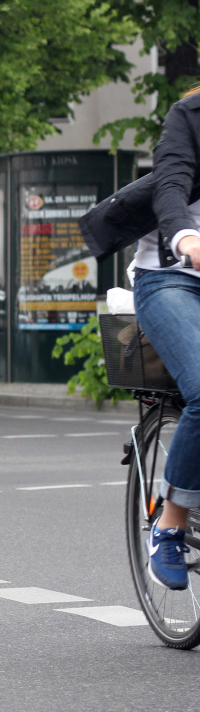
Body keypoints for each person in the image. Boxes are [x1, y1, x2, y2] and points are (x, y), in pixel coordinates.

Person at [129, 87, 200, 590]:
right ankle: (171, 524)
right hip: (172, 277)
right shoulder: (190, 115)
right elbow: (169, 185)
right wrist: (185, 238)